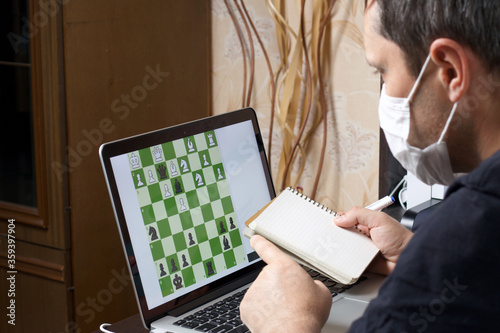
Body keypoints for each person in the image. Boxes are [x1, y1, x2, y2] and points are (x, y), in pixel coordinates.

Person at [240, 0, 500, 331]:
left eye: (383, 71)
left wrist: (286, 322)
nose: (384, 91)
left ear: (450, 71)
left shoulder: (474, 229)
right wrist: (416, 255)